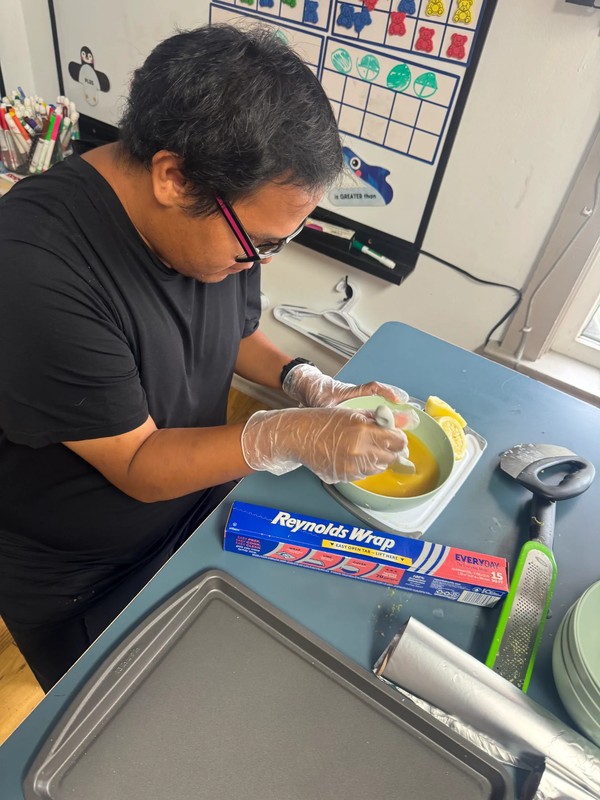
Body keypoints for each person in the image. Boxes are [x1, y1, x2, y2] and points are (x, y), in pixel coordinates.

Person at [0, 24, 415, 692]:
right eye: (259, 243)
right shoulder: (33, 271)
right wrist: (289, 434)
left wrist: (302, 382)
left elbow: (231, 328)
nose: (260, 260)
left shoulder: (218, 221)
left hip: (198, 501)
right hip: (90, 574)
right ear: (172, 176)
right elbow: (137, 464)